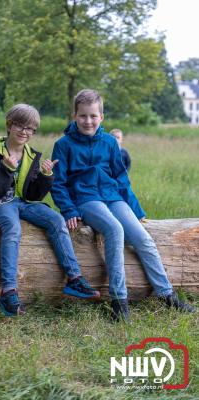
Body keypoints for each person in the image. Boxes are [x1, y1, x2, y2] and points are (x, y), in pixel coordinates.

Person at [51, 89, 195, 322]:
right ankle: (119, 301)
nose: (88, 121)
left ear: (102, 117)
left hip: (112, 196)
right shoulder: (64, 145)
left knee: (143, 238)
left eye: (93, 116)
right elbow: (58, 183)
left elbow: (121, 178)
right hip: (86, 199)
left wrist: (136, 210)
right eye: (83, 116)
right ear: (75, 115)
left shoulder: (109, 142)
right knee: (114, 230)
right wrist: (68, 209)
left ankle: (166, 294)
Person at [0, 103, 100, 317]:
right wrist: (6, 168)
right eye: (20, 126)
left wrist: (45, 176)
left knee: (56, 220)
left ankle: (74, 279)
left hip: (21, 201)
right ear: (9, 125)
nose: (25, 132)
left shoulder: (30, 154)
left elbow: (32, 195)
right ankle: (8, 291)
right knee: (13, 229)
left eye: (30, 129)